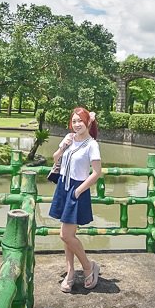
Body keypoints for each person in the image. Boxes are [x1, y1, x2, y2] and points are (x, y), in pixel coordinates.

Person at [48, 106, 102, 292]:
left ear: (88, 123)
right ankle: (70, 272)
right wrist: (64, 145)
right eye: (74, 121)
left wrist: (78, 191)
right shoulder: (69, 138)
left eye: (80, 121)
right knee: (67, 235)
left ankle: (88, 267)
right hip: (63, 186)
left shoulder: (92, 144)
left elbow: (96, 173)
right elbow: (55, 159)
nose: (77, 124)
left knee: (65, 234)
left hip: (77, 188)